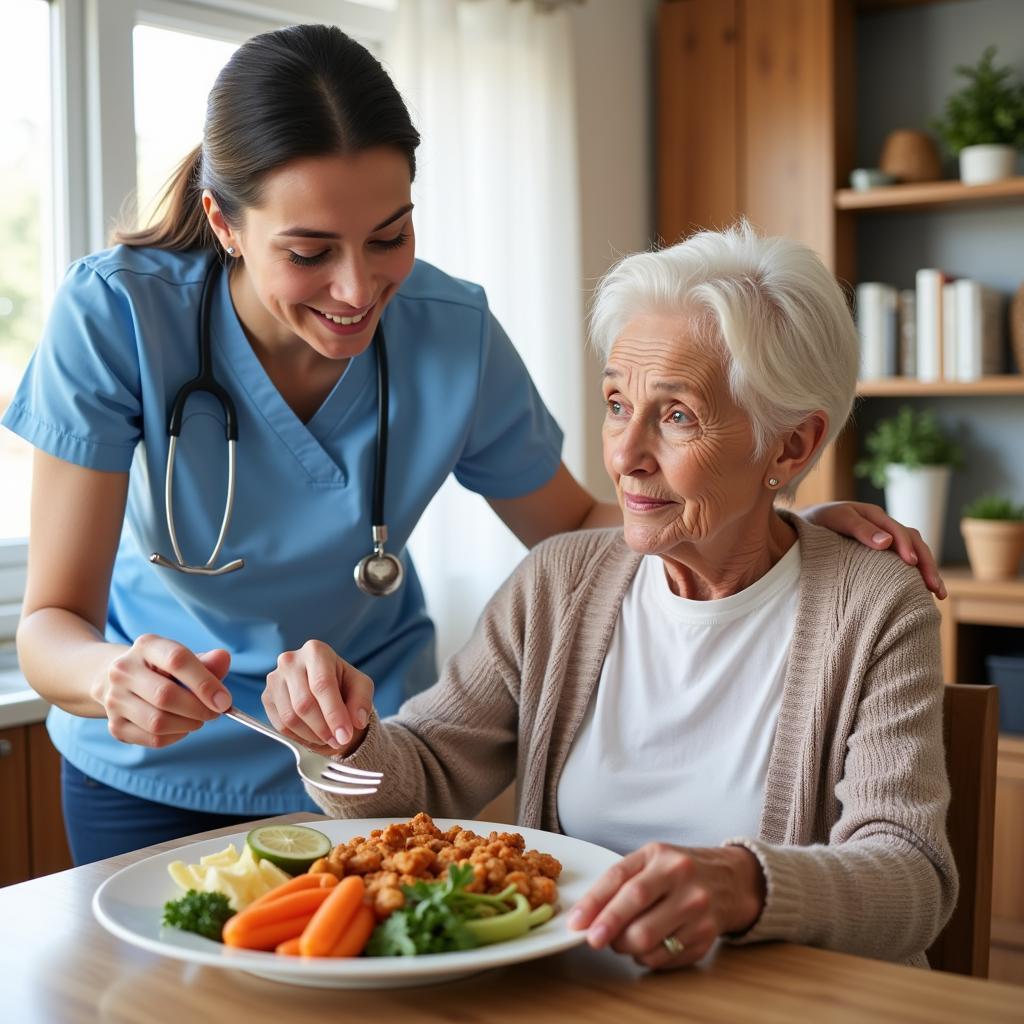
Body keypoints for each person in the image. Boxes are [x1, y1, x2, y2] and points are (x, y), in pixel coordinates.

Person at [4, 24, 939, 865]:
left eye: (390, 236)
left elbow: (578, 522)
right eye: (308, 251)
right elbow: (50, 625)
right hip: (155, 764)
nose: (357, 288)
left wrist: (777, 517)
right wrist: (109, 678)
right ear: (225, 224)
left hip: (362, 752)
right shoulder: (120, 313)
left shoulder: (449, 330)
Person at [307, 223, 957, 970]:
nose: (622, 454)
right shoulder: (558, 583)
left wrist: (749, 885)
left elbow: (913, 878)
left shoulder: (875, 607)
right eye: (618, 403)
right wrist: (342, 738)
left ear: (791, 446)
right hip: (580, 998)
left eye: (676, 415)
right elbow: (420, 772)